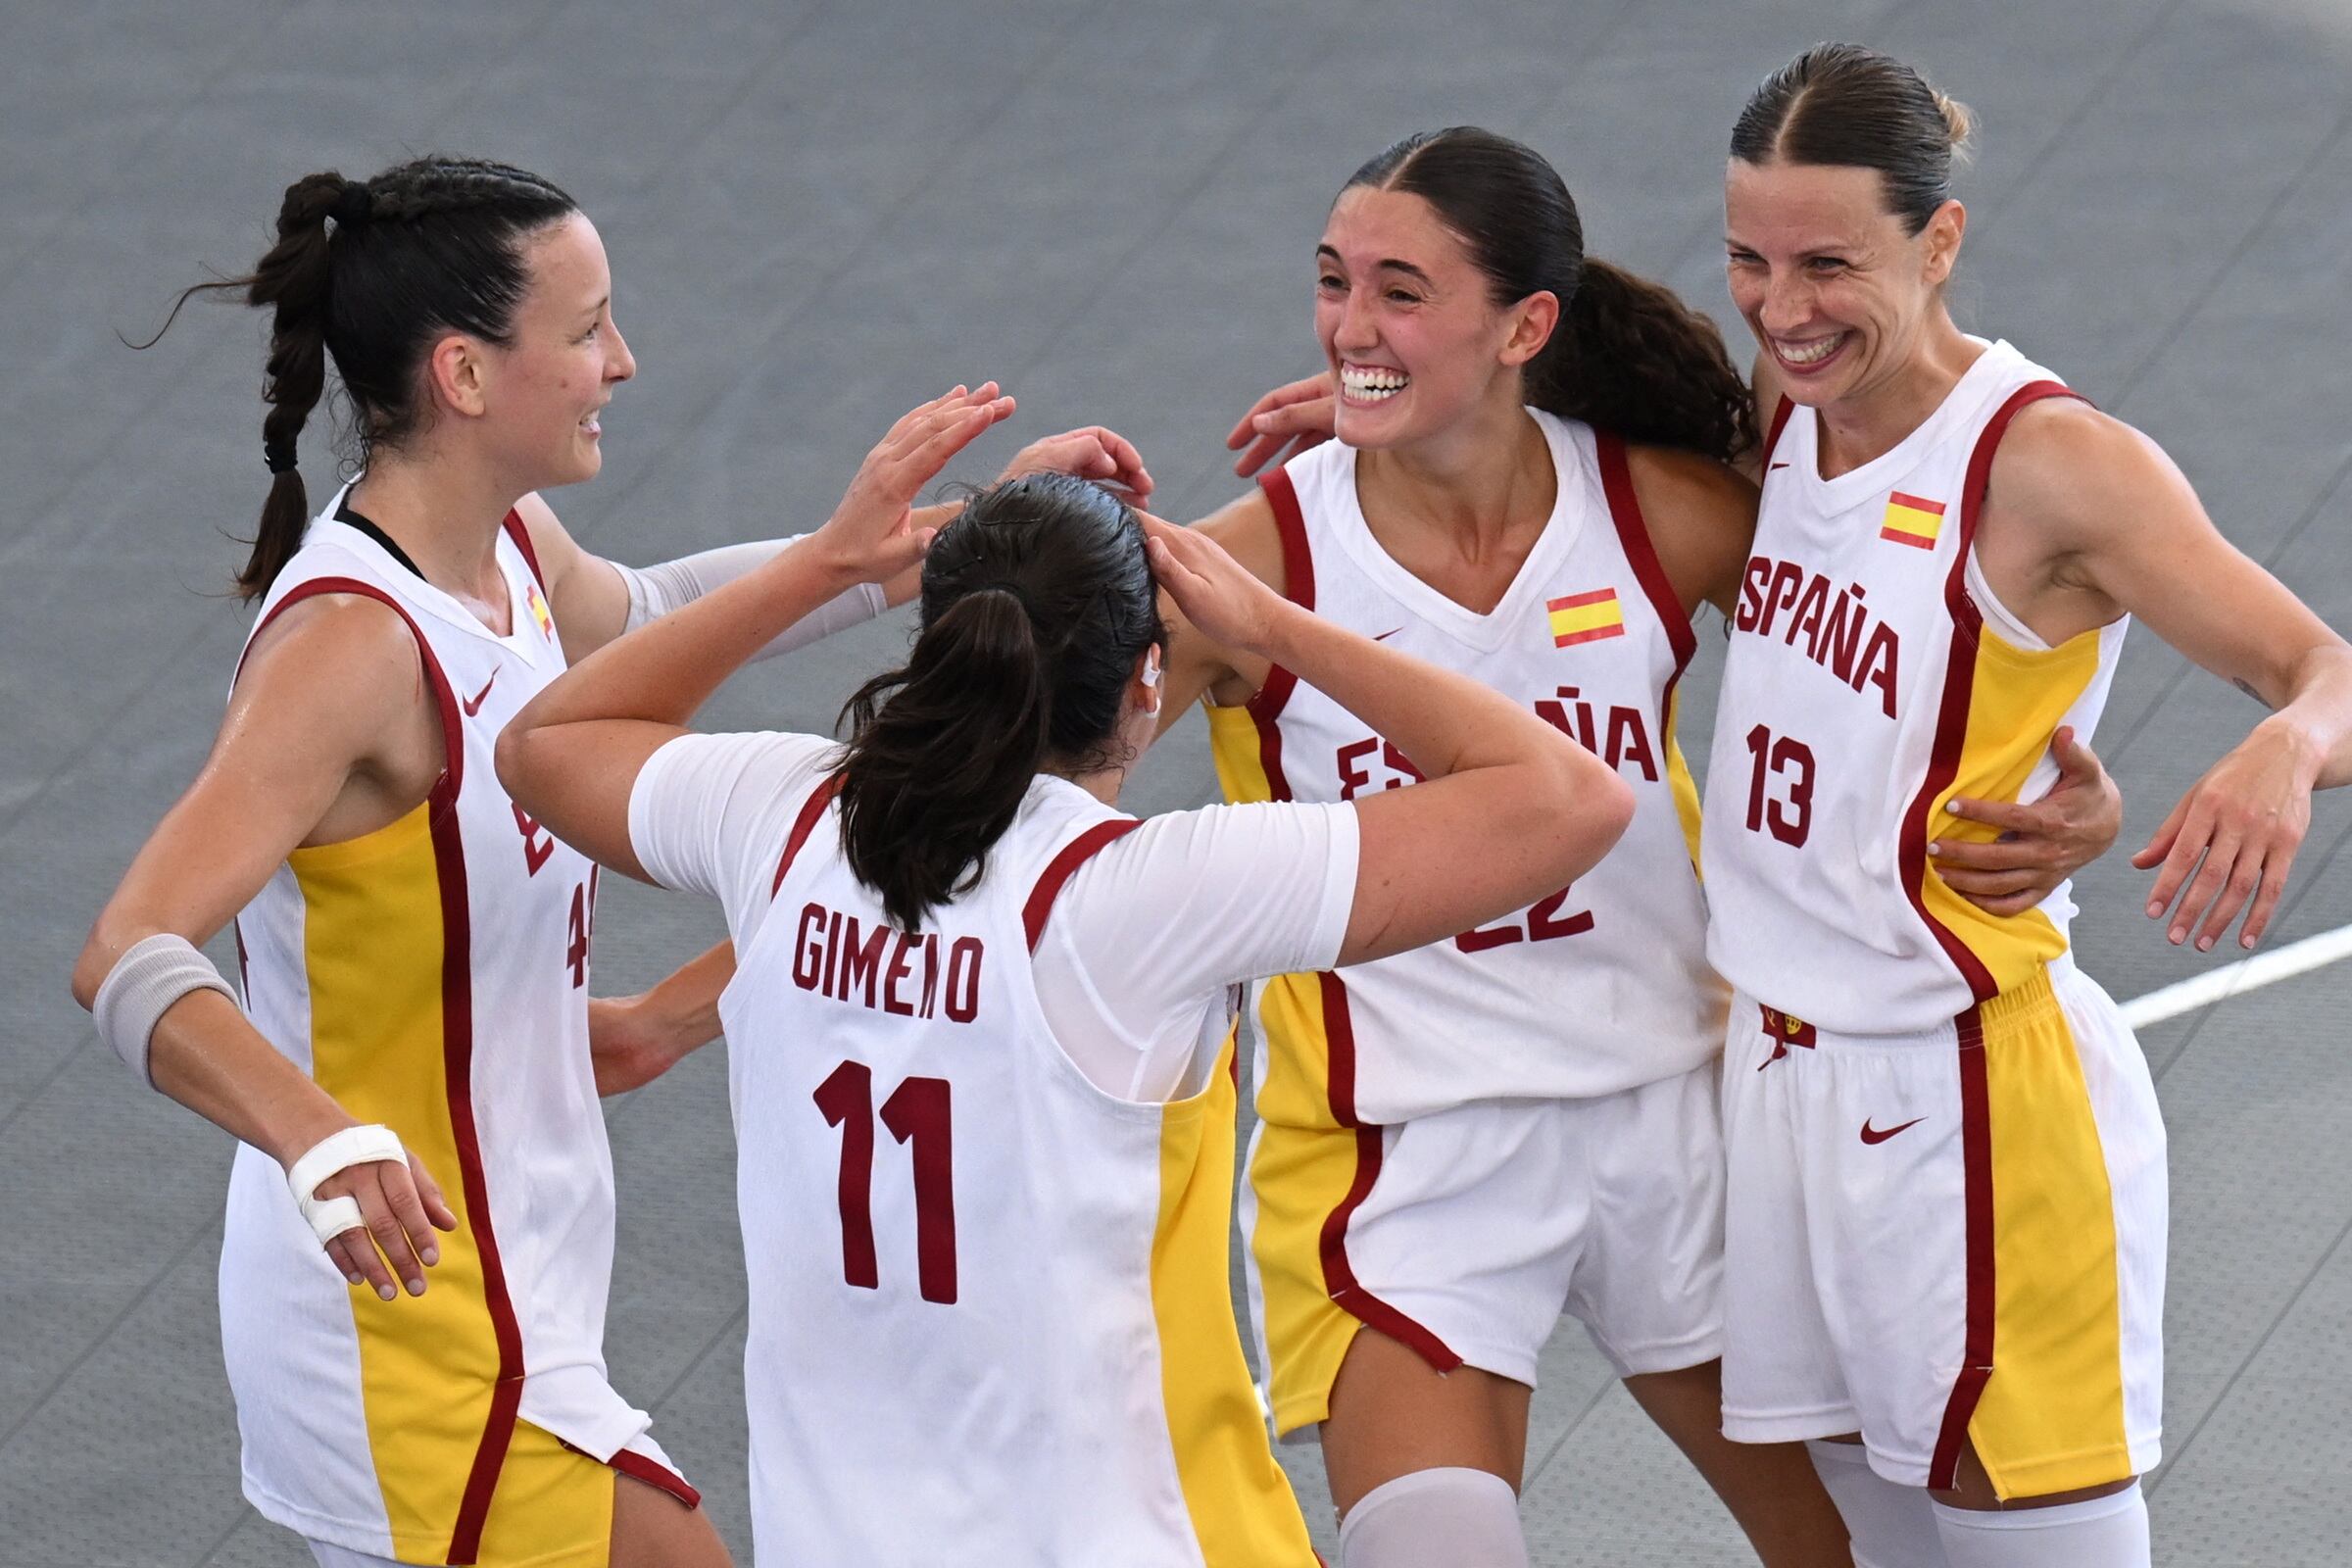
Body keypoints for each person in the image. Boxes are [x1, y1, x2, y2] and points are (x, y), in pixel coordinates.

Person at [69, 156, 1137, 1568]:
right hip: (403, 1327)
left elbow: (644, 618)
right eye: (584, 333)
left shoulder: (507, 546)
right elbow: (128, 950)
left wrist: (952, 552)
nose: (620, 363)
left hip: (517, 1292)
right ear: (463, 372)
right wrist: (318, 1133)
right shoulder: (351, 645)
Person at [493, 383, 1639, 1563]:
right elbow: (1568, 798)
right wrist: (1272, 626)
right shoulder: (1141, 900)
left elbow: (546, 742)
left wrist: (835, 561)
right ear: (1150, 678)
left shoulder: (780, 818)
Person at [1203, 128, 2122, 1566]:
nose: (1350, 328)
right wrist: (965, 537)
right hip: (1408, 1154)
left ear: (1527, 327)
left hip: (1683, 1111)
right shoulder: (1249, 571)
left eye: (1400, 292)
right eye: (1335, 286)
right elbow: (1004, 711)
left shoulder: (1659, 512)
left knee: (1868, 1555)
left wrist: (2077, 795)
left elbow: (1898, 644)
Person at [1701, 43, 2352, 1568]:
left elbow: (2322, 664)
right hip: (1784, 1071)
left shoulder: (2050, 463)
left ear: (1939, 241)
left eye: (1827, 264)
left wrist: (2283, 747)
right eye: (1750, 258)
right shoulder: (1793, 405)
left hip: (1962, 1098)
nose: (1783, 307)